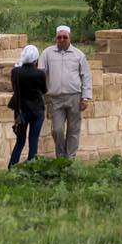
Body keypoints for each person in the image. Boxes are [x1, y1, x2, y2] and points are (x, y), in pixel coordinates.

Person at [39, 24, 92, 159]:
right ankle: (61, 156)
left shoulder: (78, 55)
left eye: (65, 37)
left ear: (69, 37)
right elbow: (40, 71)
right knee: (57, 130)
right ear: (56, 38)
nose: (62, 39)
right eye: (59, 37)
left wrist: (85, 97)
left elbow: (85, 76)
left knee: (73, 130)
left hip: (75, 96)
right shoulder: (48, 53)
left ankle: (70, 158)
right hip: (56, 98)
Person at [7, 44, 47, 167]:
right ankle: (31, 167)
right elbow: (44, 90)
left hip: (21, 111)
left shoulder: (15, 72)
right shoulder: (39, 73)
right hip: (37, 109)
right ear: (36, 58)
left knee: (20, 141)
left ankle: (12, 167)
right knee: (33, 139)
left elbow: (15, 88)